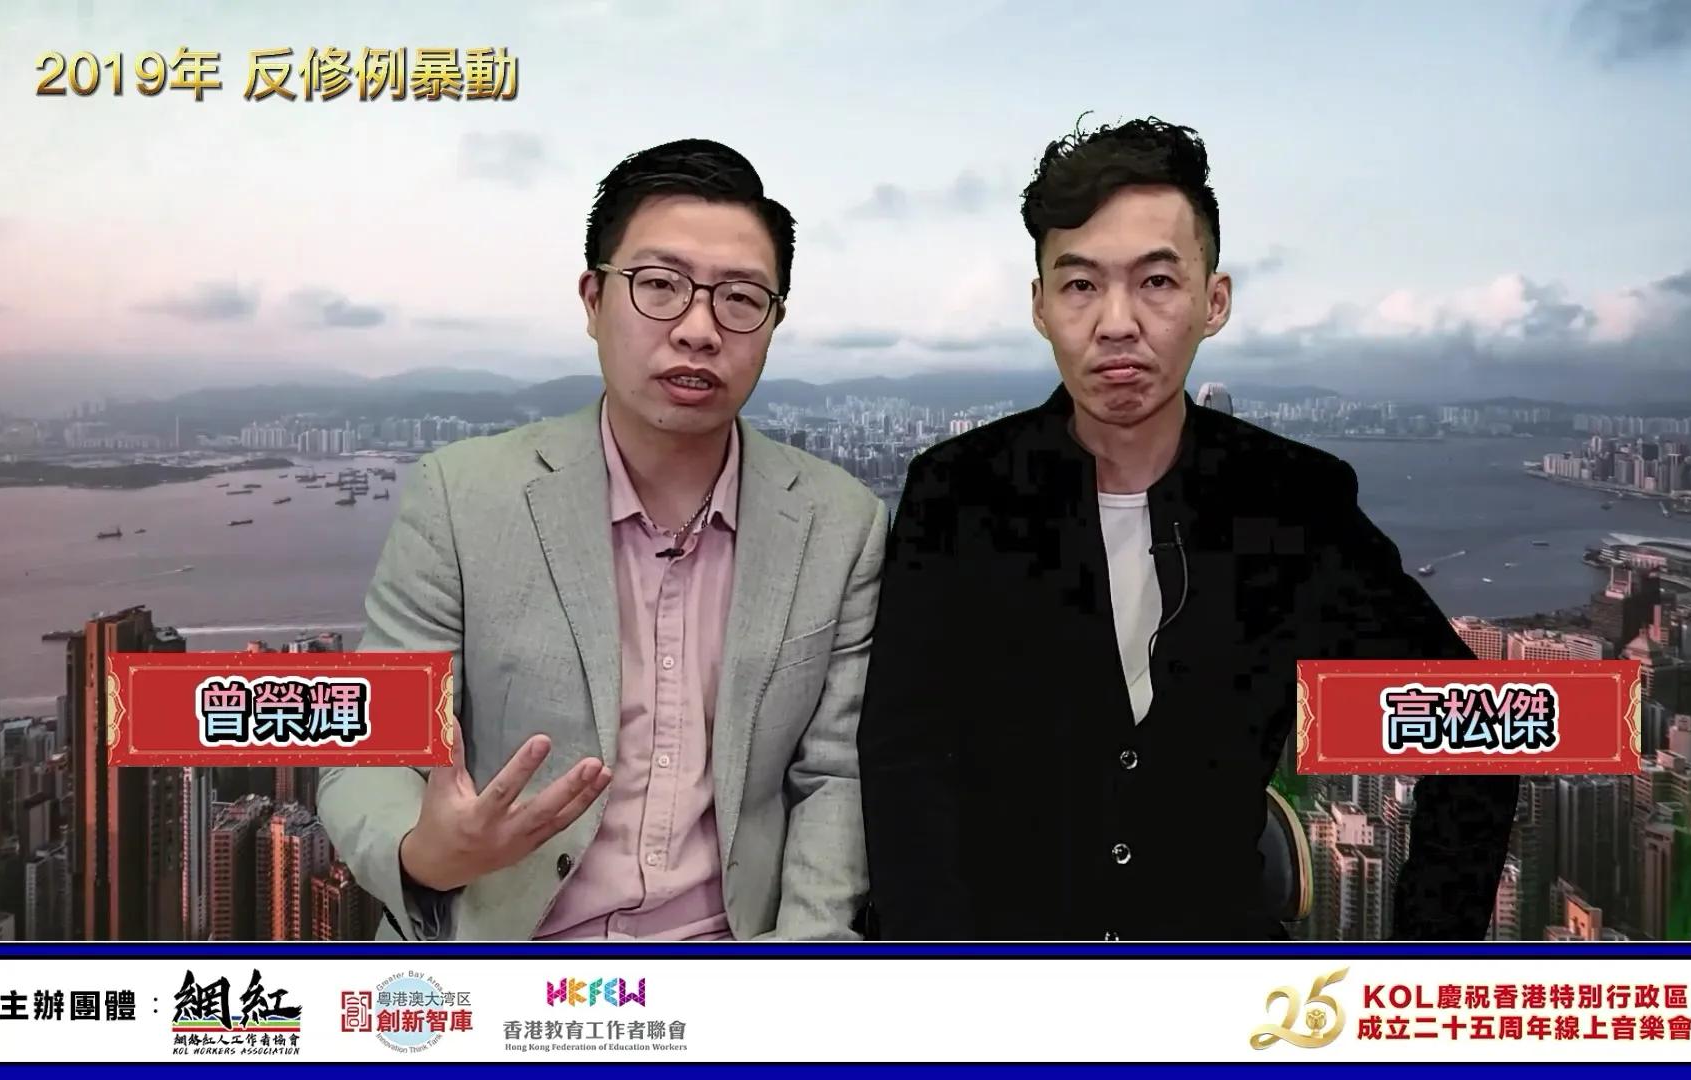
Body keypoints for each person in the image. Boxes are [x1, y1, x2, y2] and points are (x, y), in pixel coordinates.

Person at [857, 117, 1520, 941]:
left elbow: (1479, 725)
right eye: (1080, 285)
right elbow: (903, 759)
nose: (1117, 322)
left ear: (1215, 301)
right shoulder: (957, 493)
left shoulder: (1293, 503)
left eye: (1157, 282)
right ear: (1039, 307)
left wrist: (1422, 967)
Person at [318, 139, 886, 941]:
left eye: (740, 299)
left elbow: (833, 775)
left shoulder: (841, 522)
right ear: (593, 300)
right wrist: (426, 853)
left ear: (773, 323)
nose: (699, 329)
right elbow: (367, 756)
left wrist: (798, 962)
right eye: (659, 285)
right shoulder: (462, 497)